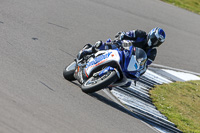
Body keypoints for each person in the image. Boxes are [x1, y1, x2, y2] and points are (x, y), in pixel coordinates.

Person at [77, 27, 165, 85]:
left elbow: (145, 65)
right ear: (151, 35)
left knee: (127, 83)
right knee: (103, 45)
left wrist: (139, 72)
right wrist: (122, 35)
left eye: (158, 42)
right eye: (155, 40)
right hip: (124, 48)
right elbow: (128, 34)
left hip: (130, 62)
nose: (155, 43)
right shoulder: (141, 34)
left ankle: (106, 81)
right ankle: (88, 50)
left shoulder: (153, 52)